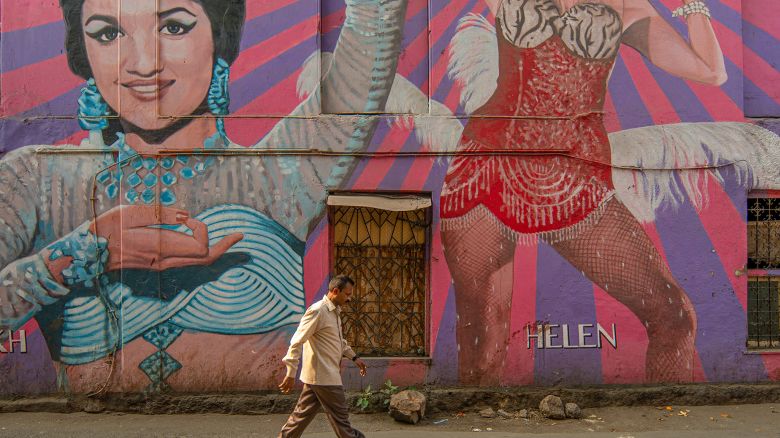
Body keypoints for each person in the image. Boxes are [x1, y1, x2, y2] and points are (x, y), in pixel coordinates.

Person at [0, 0, 407, 393]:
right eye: (109, 33)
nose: (143, 63)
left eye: (173, 27)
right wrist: (81, 254)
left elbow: (371, 32)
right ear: (83, 53)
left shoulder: (278, 177)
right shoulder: (38, 179)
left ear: (220, 35)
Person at [440, 0, 729, 385]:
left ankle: (665, 413)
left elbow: (710, 72)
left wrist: (693, 5)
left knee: (673, 315)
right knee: (484, 338)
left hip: (573, 178)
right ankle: (475, 422)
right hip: (486, 166)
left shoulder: (626, 6)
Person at [278, 275, 368, 438]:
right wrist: (290, 373)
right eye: (347, 294)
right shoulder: (318, 311)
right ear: (335, 291)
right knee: (342, 423)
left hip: (318, 378)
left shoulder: (334, 312)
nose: (350, 298)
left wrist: (354, 358)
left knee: (299, 419)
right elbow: (297, 340)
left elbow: (338, 341)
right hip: (326, 378)